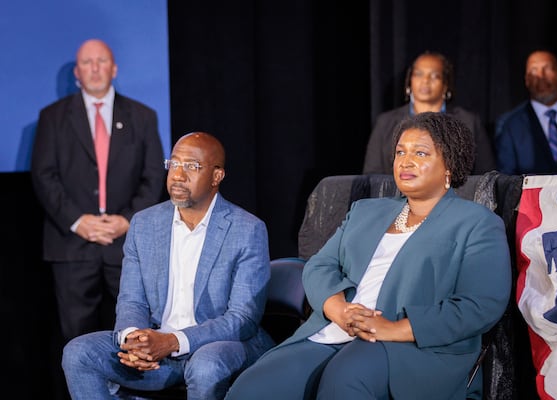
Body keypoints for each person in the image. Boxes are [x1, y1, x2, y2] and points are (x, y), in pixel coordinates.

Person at [226, 112, 512, 400]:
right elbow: (319, 265)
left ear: (449, 164)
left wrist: (393, 328)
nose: (406, 161)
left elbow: (481, 304)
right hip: (337, 330)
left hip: (413, 347)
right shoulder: (366, 211)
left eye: (420, 153)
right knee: (252, 387)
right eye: (400, 152)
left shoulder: (477, 222)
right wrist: (337, 308)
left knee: (346, 379)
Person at [61, 132, 275, 399]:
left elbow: (242, 320)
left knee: (206, 366)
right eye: (173, 164)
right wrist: (134, 340)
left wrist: (172, 342)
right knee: (79, 353)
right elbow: (132, 301)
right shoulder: (144, 224)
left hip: (221, 346)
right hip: (158, 352)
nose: (178, 175)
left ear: (217, 176)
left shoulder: (247, 229)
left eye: (192, 166)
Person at [30, 38, 166, 344]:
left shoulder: (143, 116)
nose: (94, 69)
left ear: (114, 68)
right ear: (77, 72)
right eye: (87, 63)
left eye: (101, 61)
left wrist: (127, 220)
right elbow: (43, 176)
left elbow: (154, 175)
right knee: (78, 342)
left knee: (137, 336)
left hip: (127, 246)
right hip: (72, 246)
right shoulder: (52, 117)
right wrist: (80, 222)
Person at [363, 51, 496, 175]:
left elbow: (486, 176)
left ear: (446, 85)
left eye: (434, 76)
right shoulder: (386, 123)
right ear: (409, 81)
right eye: (419, 74)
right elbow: (371, 177)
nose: (425, 80)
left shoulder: (468, 122)